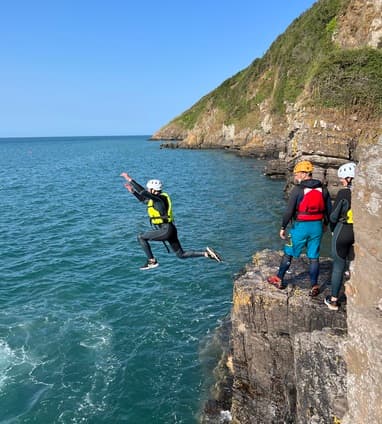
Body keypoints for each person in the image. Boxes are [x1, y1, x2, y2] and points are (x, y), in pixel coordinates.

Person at [120, 172, 223, 270]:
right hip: (170, 229)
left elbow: (143, 192)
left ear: (153, 190)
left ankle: (152, 261)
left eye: (149, 189)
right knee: (180, 254)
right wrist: (133, 192)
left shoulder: (159, 200)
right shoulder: (159, 199)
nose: (147, 190)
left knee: (141, 237)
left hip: (166, 230)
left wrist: (129, 179)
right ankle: (206, 254)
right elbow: (144, 200)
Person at [267, 160, 332, 295]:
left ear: (304, 174)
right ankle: (314, 285)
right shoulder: (323, 189)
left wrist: (283, 227)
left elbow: (289, 211)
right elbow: (329, 211)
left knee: (288, 252)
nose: (295, 177)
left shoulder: (298, 190)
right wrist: (325, 225)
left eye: (297, 174)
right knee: (314, 256)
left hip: (300, 227)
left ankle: (279, 278)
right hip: (317, 227)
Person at [324, 162, 356, 311]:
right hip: (356, 232)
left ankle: (334, 300)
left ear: (349, 178)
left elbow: (334, 215)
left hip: (343, 230)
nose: (341, 181)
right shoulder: (360, 191)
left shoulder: (344, 193)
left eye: (343, 178)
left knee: (338, 265)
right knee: (352, 263)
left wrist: (331, 228)